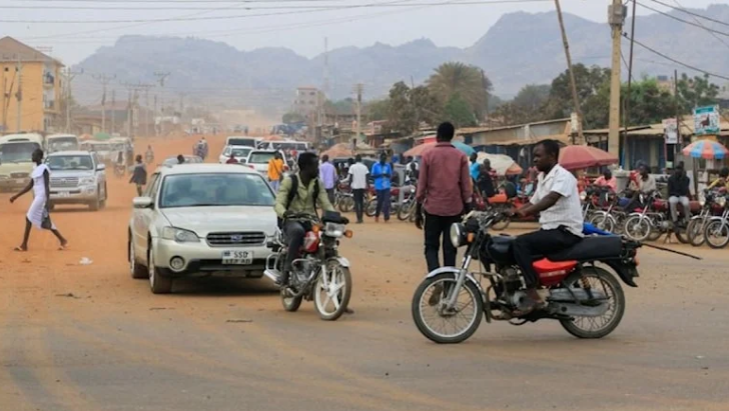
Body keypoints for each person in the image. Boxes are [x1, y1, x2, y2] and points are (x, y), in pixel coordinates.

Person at [511, 139, 583, 316]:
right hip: (550, 230)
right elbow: (533, 201)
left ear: (551, 156)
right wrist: (512, 212)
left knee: (520, 243)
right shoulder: (543, 177)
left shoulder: (563, 176)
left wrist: (523, 213)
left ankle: (533, 294)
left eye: (538, 156)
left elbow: (549, 200)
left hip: (565, 232)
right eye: (534, 156)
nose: (534, 160)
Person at [415, 122, 472, 272]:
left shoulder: (428, 155)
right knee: (450, 249)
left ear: (437, 136)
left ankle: (435, 278)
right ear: (452, 137)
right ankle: (447, 284)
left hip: (432, 209)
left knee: (431, 247)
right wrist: (468, 209)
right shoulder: (460, 156)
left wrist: (417, 209)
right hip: (454, 209)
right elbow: (466, 186)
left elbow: (422, 186)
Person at [274, 153, 338, 287]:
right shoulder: (290, 181)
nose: (318, 170)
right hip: (292, 220)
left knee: (329, 239)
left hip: (311, 220)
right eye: (316, 166)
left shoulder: (317, 184)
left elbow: (325, 202)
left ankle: (336, 287)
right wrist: (285, 213)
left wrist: (335, 216)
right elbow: (278, 203)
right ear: (306, 167)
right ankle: (286, 272)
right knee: (298, 232)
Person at [9, 149, 68, 252]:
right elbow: (30, 185)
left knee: (29, 217)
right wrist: (16, 196)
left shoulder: (44, 168)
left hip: (42, 196)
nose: (32, 156)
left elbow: (46, 185)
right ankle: (62, 240)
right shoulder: (35, 169)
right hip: (37, 196)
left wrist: (48, 201)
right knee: (44, 220)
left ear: (40, 156)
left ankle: (24, 245)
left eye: (34, 155)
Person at [347, 155, 369, 224]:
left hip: (355, 186)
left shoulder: (352, 167)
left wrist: (349, 186)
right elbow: (367, 176)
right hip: (362, 186)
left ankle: (358, 218)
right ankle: (361, 218)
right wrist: (367, 185)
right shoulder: (364, 167)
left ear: (356, 160)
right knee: (361, 202)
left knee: (356, 202)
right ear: (361, 160)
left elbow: (350, 177)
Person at [371, 152, 393, 222]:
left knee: (386, 202)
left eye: (385, 159)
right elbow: (372, 175)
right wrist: (380, 175)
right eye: (382, 158)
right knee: (380, 202)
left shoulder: (388, 165)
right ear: (380, 158)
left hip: (386, 185)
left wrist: (386, 175)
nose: (383, 160)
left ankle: (386, 217)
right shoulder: (375, 165)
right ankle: (377, 215)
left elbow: (390, 175)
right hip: (378, 186)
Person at [668, 164, 691, 229]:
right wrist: (675, 194)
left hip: (682, 196)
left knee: (686, 203)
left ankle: (687, 220)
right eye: (677, 169)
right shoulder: (671, 179)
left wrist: (681, 179)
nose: (678, 171)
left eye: (680, 169)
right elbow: (669, 191)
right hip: (673, 195)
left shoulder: (686, 179)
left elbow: (685, 190)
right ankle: (675, 220)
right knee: (672, 202)